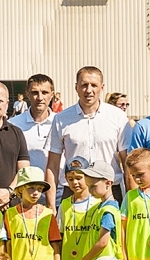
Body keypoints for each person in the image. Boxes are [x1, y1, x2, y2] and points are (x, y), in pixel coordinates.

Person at [44, 66, 129, 196]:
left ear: (102, 87)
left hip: (109, 192)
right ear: (76, 87)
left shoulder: (117, 116)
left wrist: (130, 200)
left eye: (94, 85)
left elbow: (127, 161)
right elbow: (52, 166)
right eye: (84, 85)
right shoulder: (61, 119)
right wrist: (51, 205)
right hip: (73, 192)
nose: (89, 90)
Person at [8, 73, 60, 182]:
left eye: (45, 92)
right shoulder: (13, 124)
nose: (40, 98)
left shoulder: (61, 123)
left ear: (52, 95)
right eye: (35, 93)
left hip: (58, 191)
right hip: (26, 191)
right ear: (27, 94)